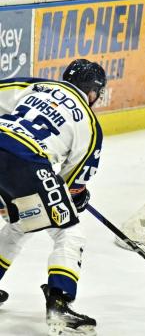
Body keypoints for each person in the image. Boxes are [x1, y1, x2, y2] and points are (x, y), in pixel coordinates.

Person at [0, 59, 106, 335]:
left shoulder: (38, 85)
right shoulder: (90, 123)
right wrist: (78, 196)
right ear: (93, 92)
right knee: (68, 232)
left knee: (22, 222)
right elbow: (72, 185)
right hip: (26, 162)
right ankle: (59, 303)